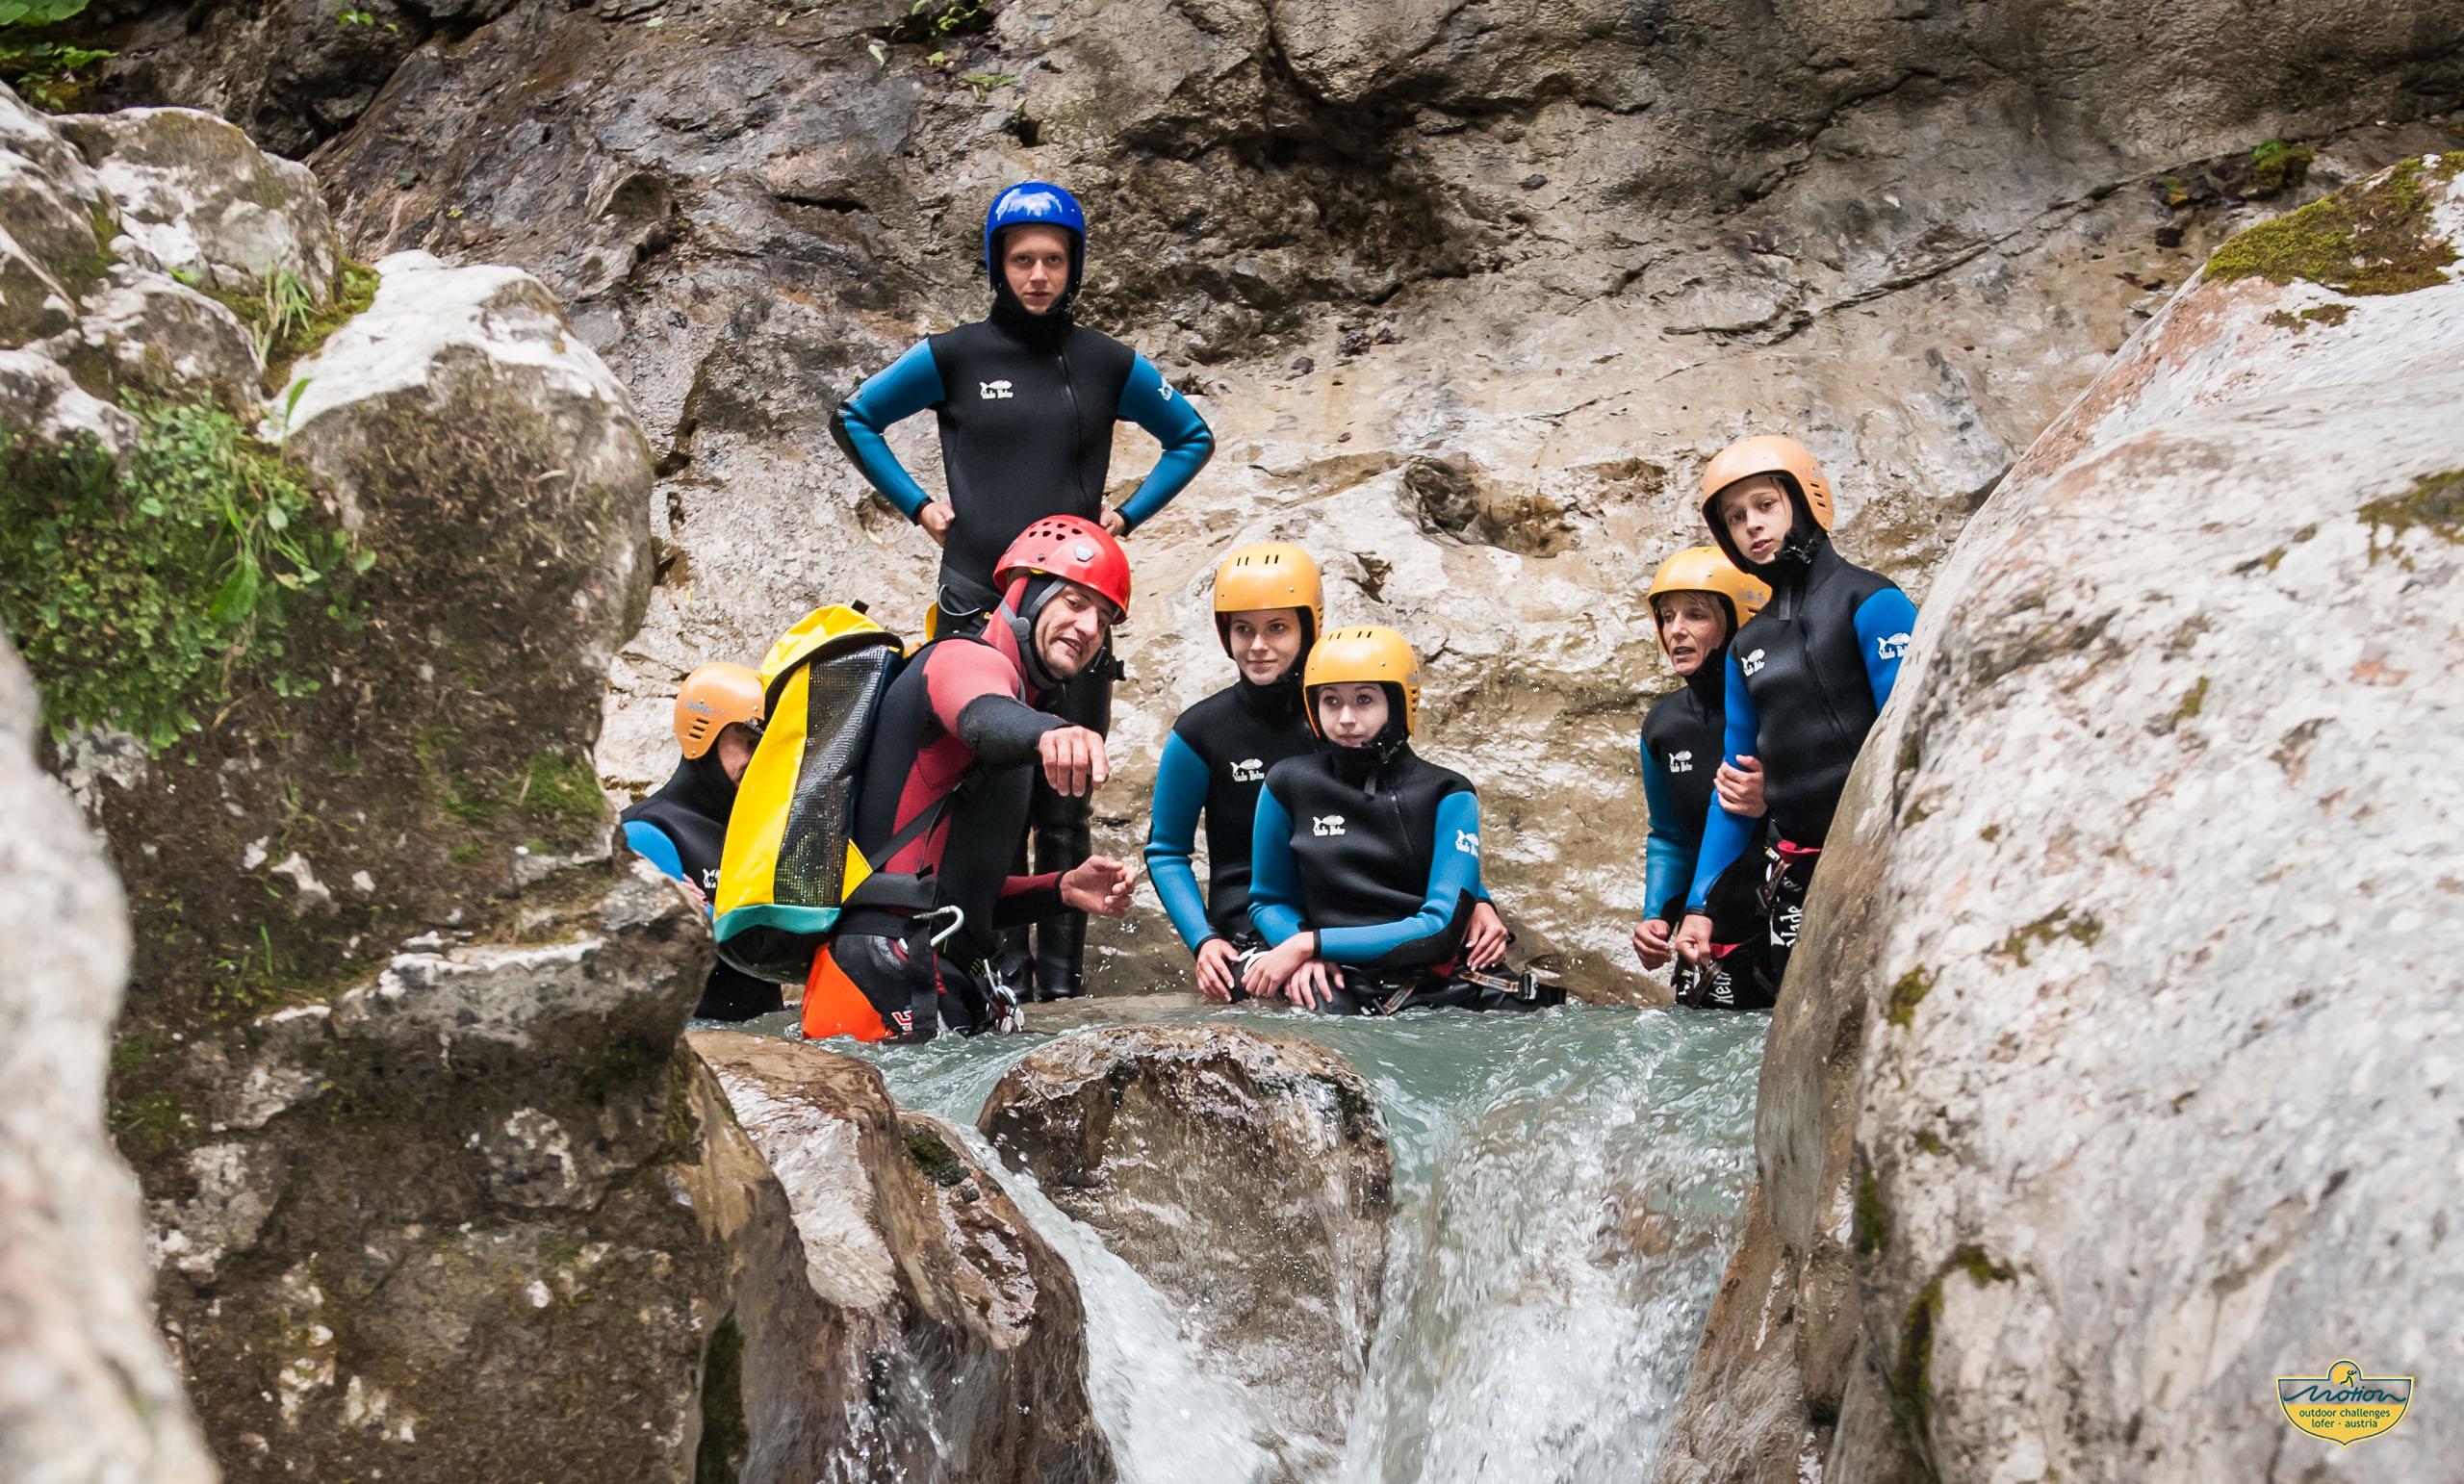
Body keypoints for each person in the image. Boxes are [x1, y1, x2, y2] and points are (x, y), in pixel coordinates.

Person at [831, 181, 1215, 1003]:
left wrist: (1128, 514)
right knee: (988, 784)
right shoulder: (956, 355)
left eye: (1053, 259)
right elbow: (855, 415)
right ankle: (987, 973)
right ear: (997, 267)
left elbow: (1192, 435)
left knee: (1068, 806)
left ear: (1073, 267)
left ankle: (1061, 990)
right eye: (1021, 260)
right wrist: (921, 506)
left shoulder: (1106, 361)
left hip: (1073, 611)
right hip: (977, 602)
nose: (1037, 275)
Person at [801, 515, 1137, 1043]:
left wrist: (1061, 888)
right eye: (1074, 602)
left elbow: (963, 895)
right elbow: (981, 714)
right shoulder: (963, 659)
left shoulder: (1019, 713)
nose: (1091, 628)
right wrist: (1054, 731)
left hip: (930, 969)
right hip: (886, 972)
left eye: (1103, 619)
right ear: (1025, 591)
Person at [1146, 544, 1510, 1001]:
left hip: (1351, 918)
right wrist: (1204, 939)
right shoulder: (1201, 730)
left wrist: (1476, 900)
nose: (1258, 646)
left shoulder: (1339, 712)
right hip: (1259, 924)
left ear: (1308, 626)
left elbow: (1416, 817)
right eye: (1243, 629)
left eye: (1277, 627)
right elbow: (1165, 850)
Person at [1672, 435, 1918, 990]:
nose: (1753, 525)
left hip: (1878, 855)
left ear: (1806, 502)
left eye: (1765, 505)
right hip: (1797, 881)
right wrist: (1699, 904)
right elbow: (1734, 790)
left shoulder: (1873, 601)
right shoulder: (1745, 647)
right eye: (1736, 517)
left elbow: (1909, 743)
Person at [1242, 627, 1550, 1015]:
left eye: (1365, 700)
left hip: (1436, 977)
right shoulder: (1286, 783)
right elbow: (1268, 900)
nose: (1346, 719)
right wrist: (1301, 948)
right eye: (1331, 701)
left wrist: (1312, 944)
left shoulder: (1449, 793)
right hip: (1338, 978)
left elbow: (1440, 929)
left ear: (1400, 704)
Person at [1630, 547, 1774, 1009]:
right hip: (1712, 939)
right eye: (1667, 616)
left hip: (1792, 924)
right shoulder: (1664, 725)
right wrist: (1657, 917)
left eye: (1696, 615)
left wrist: (1775, 795)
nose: (1676, 631)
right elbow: (1670, 835)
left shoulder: (1781, 704)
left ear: (1739, 618)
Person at [622, 663, 780, 1021]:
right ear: (703, 735)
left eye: (767, 748)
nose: (759, 761)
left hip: (762, 1048)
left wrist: (705, 912)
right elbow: (660, 947)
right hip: (696, 1047)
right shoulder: (644, 832)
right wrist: (695, 916)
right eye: (749, 742)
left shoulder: (757, 834)